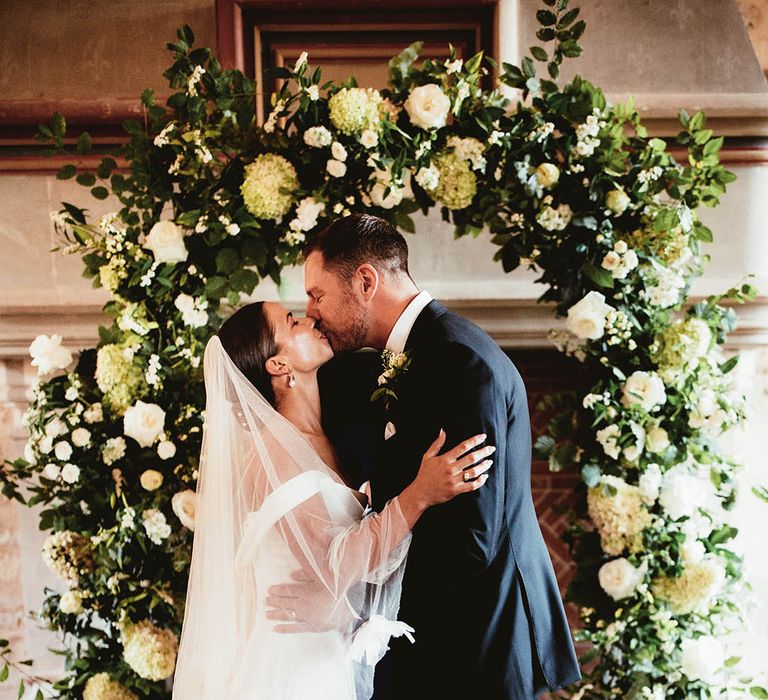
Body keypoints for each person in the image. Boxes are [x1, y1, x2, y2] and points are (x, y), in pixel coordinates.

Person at [272, 213, 581, 698]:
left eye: (318, 295)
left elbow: (469, 541)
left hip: (478, 651)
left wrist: (349, 604)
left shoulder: (457, 361)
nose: (312, 313)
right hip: (446, 647)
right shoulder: (413, 356)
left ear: (366, 281)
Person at [171, 301, 494, 700]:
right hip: (292, 665)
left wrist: (344, 610)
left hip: (323, 653)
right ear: (278, 365)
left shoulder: (327, 433)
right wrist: (420, 494)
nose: (310, 319)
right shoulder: (275, 452)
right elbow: (333, 564)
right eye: (292, 322)